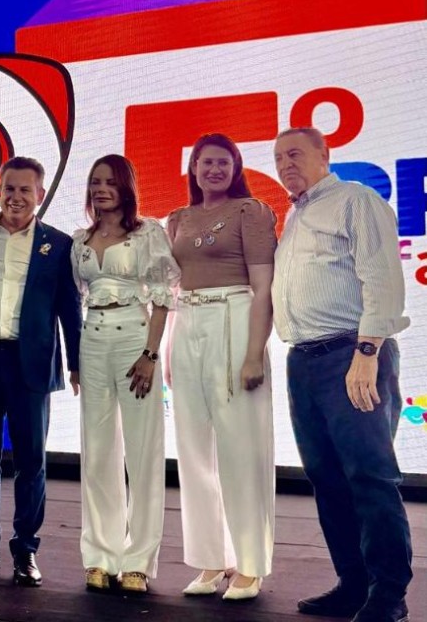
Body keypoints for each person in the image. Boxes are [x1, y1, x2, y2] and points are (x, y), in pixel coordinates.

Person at [272, 127, 412, 622]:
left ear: (324, 154)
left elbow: (382, 278)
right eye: (278, 157)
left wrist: (367, 351)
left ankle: (388, 596)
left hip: (351, 354)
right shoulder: (296, 215)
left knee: (370, 477)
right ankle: (353, 585)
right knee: (327, 479)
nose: (285, 163)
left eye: (295, 153)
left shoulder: (354, 200)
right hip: (303, 360)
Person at [0, 157, 82, 587]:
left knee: (31, 462)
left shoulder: (58, 244)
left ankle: (26, 550)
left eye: (26, 189)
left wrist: (77, 363)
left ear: (40, 195)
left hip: (31, 366)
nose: (16, 197)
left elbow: (69, 309)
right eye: (9, 188)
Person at [166, 134, 277, 601]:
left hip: (234, 319)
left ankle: (250, 564)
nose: (214, 170)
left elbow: (264, 287)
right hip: (187, 323)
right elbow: (172, 289)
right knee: (193, 451)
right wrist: (168, 348)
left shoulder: (251, 211)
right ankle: (213, 560)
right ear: (193, 167)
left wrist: (254, 353)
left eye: (223, 163)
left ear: (235, 168)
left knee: (241, 448)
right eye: (206, 162)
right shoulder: (177, 218)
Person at [72, 154, 179, 594]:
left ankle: (138, 561)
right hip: (92, 341)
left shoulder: (147, 233)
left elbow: (164, 297)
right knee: (97, 453)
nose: (101, 189)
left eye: (110, 182)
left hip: (135, 340)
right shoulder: (80, 240)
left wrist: (151, 355)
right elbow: (77, 296)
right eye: (95, 182)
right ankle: (101, 556)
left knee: (143, 451)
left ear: (126, 188)